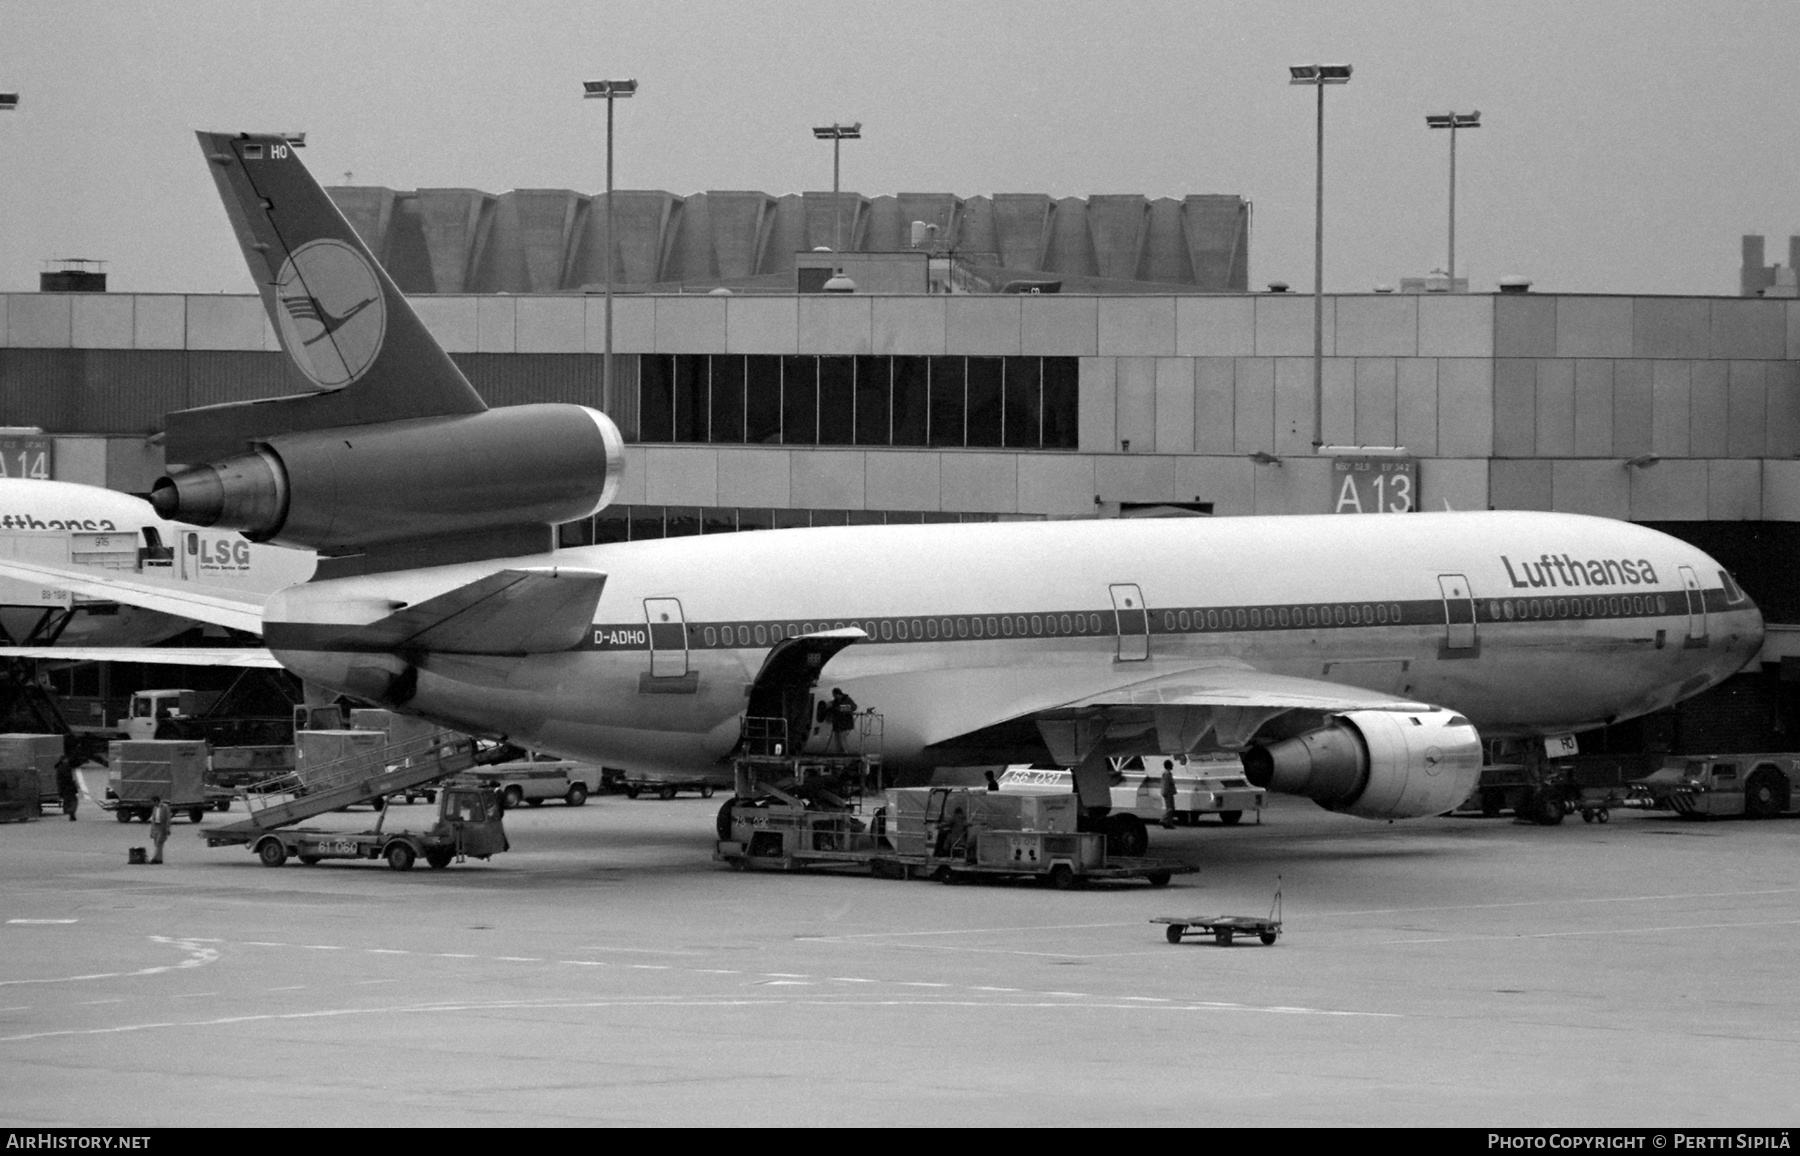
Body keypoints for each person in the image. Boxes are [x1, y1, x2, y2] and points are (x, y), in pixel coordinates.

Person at [827, 687, 858, 753]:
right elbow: (833, 709)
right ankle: (839, 752)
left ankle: (845, 753)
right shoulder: (835, 701)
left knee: (842, 739)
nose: (833, 696)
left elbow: (854, 707)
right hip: (837, 723)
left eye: (834, 695)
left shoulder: (847, 699)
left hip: (845, 723)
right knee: (837, 739)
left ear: (838, 694)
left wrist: (842, 708)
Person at [148, 795, 171, 864]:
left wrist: (167, 828)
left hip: (162, 826)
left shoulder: (165, 807)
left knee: (159, 843)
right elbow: (153, 819)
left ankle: (155, 858)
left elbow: (168, 818)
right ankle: (159, 859)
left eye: (153, 802)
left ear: (156, 801)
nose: (152, 804)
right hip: (156, 826)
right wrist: (151, 831)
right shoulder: (155, 808)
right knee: (157, 843)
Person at [54, 757, 78, 821]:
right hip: (68, 787)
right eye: (66, 759)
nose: (67, 760)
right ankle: (71, 811)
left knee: (68, 800)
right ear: (63, 760)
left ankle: (69, 811)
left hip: (63, 788)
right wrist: (73, 783)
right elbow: (68, 778)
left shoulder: (58, 768)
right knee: (74, 800)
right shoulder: (65, 767)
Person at [1160, 761, 1178, 829]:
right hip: (1168, 793)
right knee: (1171, 809)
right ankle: (1164, 820)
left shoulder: (1167, 773)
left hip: (1168, 792)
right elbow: (1166, 784)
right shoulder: (1167, 774)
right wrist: (1166, 792)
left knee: (1170, 808)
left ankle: (1168, 823)